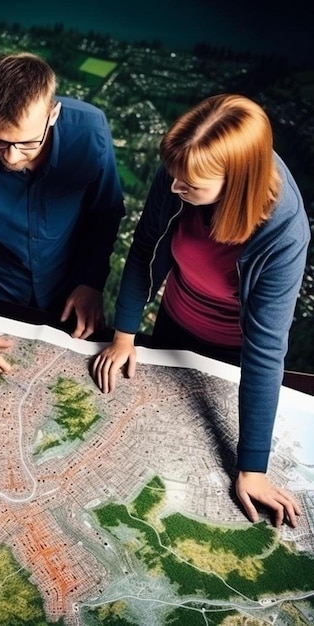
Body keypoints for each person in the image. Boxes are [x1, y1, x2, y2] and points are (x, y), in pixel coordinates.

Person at [91, 94, 310, 528]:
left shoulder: (285, 233)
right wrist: (124, 335)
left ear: (236, 182)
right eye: (173, 176)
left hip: (233, 352)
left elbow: (266, 351)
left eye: (189, 186)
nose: (173, 188)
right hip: (174, 318)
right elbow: (144, 252)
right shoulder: (182, 169)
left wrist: (252, 469)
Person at [0, 52, 125, 374]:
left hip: (70, 290)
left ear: (53, 113)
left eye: (29, 143)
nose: (14, 157)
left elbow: (104, 213)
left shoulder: (90, 130)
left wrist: (91, 281)